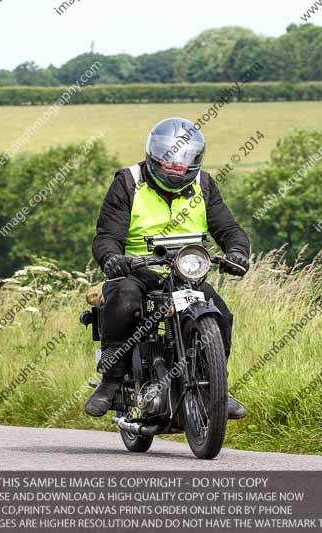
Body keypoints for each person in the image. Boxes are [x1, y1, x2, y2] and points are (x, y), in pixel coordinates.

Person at [84, 117, 251, 419]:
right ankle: (110, 382)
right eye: (170, 160)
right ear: (155, 155)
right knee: (123, 300)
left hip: (185, 275)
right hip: (137, 272)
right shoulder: (128, 182)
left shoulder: (204, 184)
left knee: (220, 312)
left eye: (184, 161)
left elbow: (228, 228)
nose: (177, 167)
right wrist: (111, 258)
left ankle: (214, 389)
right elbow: (107, 236)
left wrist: (238, 251)